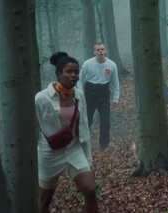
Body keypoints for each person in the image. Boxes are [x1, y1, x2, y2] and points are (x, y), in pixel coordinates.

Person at [35, 52, 98, 213]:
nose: (74, 75)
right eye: (69, 72)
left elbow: (83, 128)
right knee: (44, 201)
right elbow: (35, 126)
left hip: (74, 150)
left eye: (76, 72)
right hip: (49, 154)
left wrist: (88, 159)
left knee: (90, 190)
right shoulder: (42, 98)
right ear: (59, 74)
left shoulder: (79, 96)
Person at [77, 42, 120, 149]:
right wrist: (81, 93)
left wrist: (116, 98)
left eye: (102, 49)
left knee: (105, 121)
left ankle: (104, 144)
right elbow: (80, 80)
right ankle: (83, 142)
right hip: (90, 93)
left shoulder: (112, 65)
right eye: (98, 50)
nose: (100, 52)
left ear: (105, 51)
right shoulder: (87, 64)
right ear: (94, 52)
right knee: (87, 120)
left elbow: (115, 82)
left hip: (104, 94)